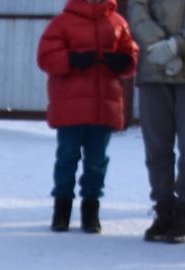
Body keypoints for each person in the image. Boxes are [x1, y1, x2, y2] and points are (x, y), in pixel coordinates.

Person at [37, 0, 139, 234]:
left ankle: (90, 210)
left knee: (97, 162)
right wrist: (71, 59)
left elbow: (130, 52)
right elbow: (46, 57)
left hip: (103, 107)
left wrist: (126, 60)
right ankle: (62, 209)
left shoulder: (117, 23)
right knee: (67, 158)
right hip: (71, 107)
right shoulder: (62, 23)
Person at [130, 0, 185, 242]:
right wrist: (159, 45)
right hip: (154, 69)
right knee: (156, 146)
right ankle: (163, 208)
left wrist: (177, 46)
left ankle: (184, 210)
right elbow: (137, 9)